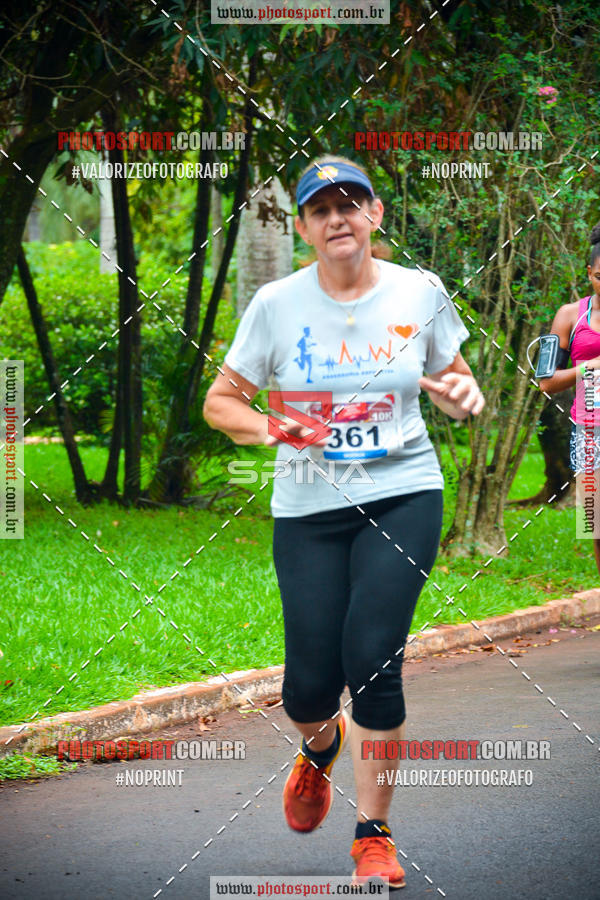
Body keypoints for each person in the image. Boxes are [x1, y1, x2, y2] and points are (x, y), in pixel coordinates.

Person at [203, 155, 485, 888]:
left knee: (373, 660)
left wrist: (462, 397)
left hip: (403, 493)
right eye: (321, 210)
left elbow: (456, 379)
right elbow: (221, 402)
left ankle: (373, 836)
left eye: (350, 204)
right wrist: (273, 429)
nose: (338, 219)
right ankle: (319, 747)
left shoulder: (419, 291)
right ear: (303, 228)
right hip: (308, 509)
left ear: (374, 214)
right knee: (306, 690)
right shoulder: (276, 304)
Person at [539, 223, 600, 574]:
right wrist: (589, 367)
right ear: (589, 272)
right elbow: (546, 382)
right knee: (596, 524)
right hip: (589, 431)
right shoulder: (569, 316)